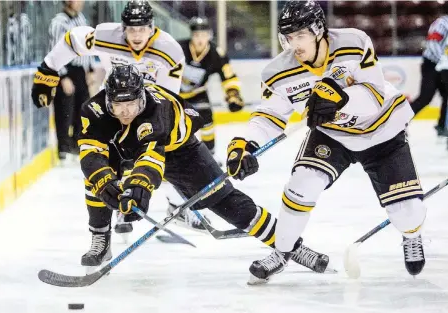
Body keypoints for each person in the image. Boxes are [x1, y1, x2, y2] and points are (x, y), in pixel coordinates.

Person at [226, 0, 427, 284]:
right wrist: (244, 143)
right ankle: (283, 251)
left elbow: (374, 95)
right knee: (302, 183)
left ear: (318, 29)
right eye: (288, 37)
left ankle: (411, 235)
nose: (294, 44)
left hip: (381, 129)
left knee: (407, 213)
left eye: (300, 35)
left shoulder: (354, 43)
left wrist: (340, 98)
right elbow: (268, 115)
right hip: (332, 134)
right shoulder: (277, 72)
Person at [76, 64, 329, 273]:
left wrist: (137, 190)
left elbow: (151, 159)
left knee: (227, 202)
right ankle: (100, 238)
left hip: (179, 150)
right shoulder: (93, 110)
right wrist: (105, 184)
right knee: (97, 180)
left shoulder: (158, 112)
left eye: (131, 104)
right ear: (107, 100)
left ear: (141, 96)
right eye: (118, 106)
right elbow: (90, 154)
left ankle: (290, 246)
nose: (126, 112)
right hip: (123, 148)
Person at [31, 0, 207, 236]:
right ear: (123, 27)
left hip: (149, 107)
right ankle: (110, 220)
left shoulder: (170, 49)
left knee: (167, 152)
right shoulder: (107, 35)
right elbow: (72, 40)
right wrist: (48, 69)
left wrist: (159, 125)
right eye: (131, 29)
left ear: (152, 26)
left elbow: (167, 96)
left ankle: (178, 203)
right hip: (113, 108)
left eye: (142, 28)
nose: (136, 35)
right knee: (108, 158)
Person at [178, 16, 245, 164]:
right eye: (196, 35)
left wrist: (233, 95)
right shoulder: (178, 48)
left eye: (203, 35)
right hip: (175, 94)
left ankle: (209, 155)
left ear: (209, 35)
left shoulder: (216, 53)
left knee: (207, 121)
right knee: (171, 124)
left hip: (198, 93)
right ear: (191, 36)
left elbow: (228, 76)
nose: (200, 39)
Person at [48, 0, 95, 162]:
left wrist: (89, 70)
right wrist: (63, 76)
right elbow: (55, 51)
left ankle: (76, 145)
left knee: (82, 110)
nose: (80, 2)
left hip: (80, 70)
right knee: (64, 110)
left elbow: (88, 46)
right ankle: (64, 149)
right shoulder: (58, 22)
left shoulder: (82, 20)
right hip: (66, 70)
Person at [411, 15, 448, 137]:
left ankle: (442, 126)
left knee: (447, 96)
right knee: (425, 98)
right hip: (431, 64)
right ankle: (397, 124)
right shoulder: (443, 23)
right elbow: (432, 42)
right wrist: (442, 59)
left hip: (443, 65)